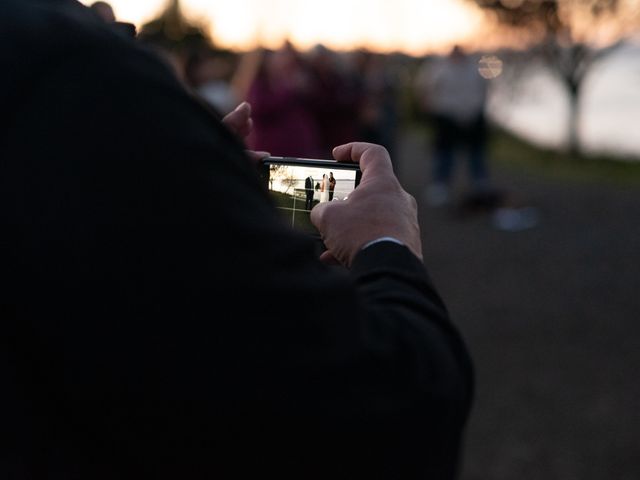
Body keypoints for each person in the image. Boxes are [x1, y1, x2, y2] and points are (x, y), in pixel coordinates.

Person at [1, 1, 473, 479]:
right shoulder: (57, 63)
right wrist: (385, 242)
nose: (126, 35)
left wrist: (184, 195)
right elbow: (401, 415)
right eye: (119, 32)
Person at [415, 44, 490, 207]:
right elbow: (425, 88)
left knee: (476, 153)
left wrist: (478, 108)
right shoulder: (439, 68)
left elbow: (484, 90)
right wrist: (428, 106)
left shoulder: (474, 69)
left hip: (473, 117)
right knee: (444, 154)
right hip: (446, 117)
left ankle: (479, 183)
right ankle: (440, 185)